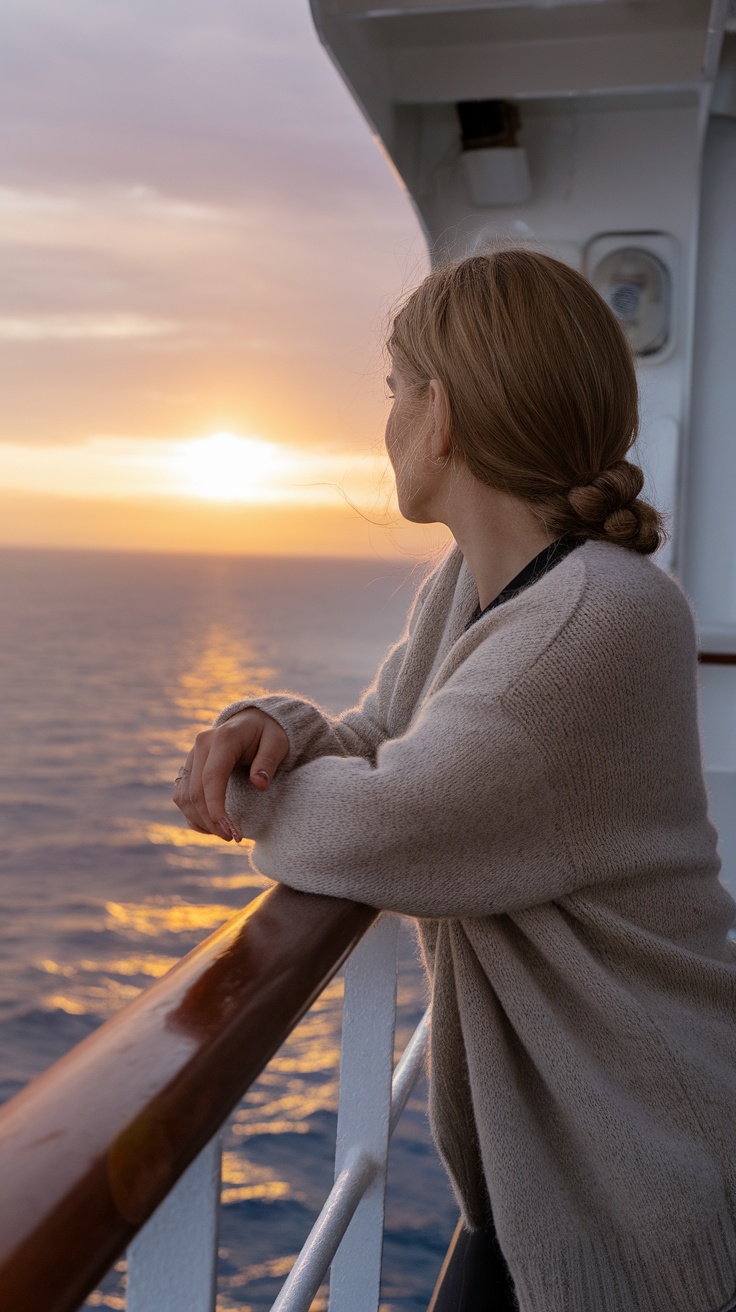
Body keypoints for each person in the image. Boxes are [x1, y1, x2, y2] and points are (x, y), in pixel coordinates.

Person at [173, 248, 736, 1312]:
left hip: (648, 1183)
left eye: (392, 388)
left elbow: (393, 822)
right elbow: (387, 734)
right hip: (559, 1176)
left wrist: (245, 795)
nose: (381, 417)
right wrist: (273, 728)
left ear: (439, 414)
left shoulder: (589, 621)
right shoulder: (484, 592)